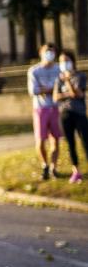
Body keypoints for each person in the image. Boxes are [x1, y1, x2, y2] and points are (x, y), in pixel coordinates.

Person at [29, 43, 62, 180]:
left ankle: (53, 167)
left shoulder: (59, 69)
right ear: (41, 53)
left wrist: (45, 89)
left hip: (56, 108)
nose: (49, 54)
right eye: (47, 51)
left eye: (52, 51)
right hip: (40, 109)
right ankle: (45, 166)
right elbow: (34, 91)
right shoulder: (34, 71)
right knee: (40, 140)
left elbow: (61, 89)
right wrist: (52, 89)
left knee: (55, 139)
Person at [53, 50, 87, 183]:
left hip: (79, 113)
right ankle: (76, 171)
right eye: (61, 61)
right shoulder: (58, 79)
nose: (64, 63)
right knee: (70, 144)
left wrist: (67, 81)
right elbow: (55, 97)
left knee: (86, 141)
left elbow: (77, 94)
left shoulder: (80, 76)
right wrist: (67, 93)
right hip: (65, 114)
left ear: (72, 61)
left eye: (66, 60)